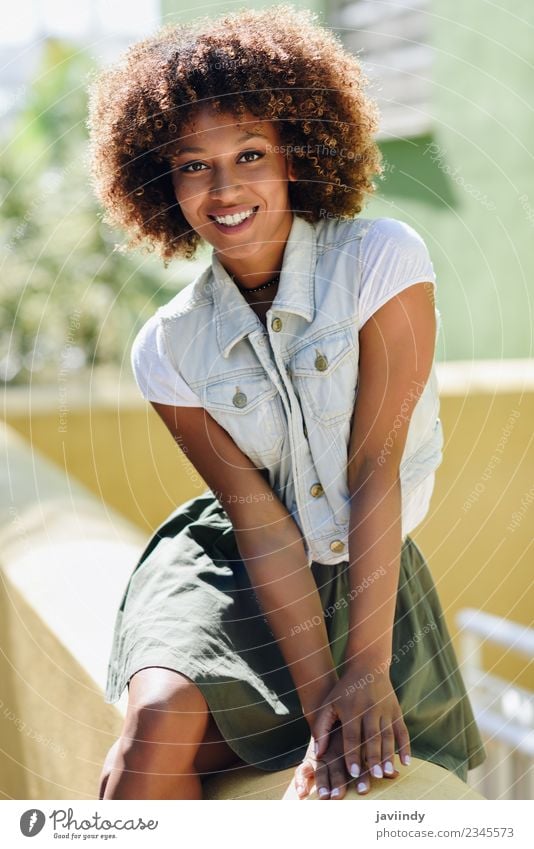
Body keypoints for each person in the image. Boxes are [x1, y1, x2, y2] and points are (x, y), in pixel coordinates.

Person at [87, 4, 486, 800]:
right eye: (193, 164)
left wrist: (363, 672)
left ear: (298, 153)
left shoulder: (382, 262)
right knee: (155, 729)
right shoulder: (166, 348)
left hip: (358, 556)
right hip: (227, 560)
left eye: (250, 153)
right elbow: (258, 523)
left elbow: (377, 465)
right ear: (160, 181)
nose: (226, 187)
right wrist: (321, 709)